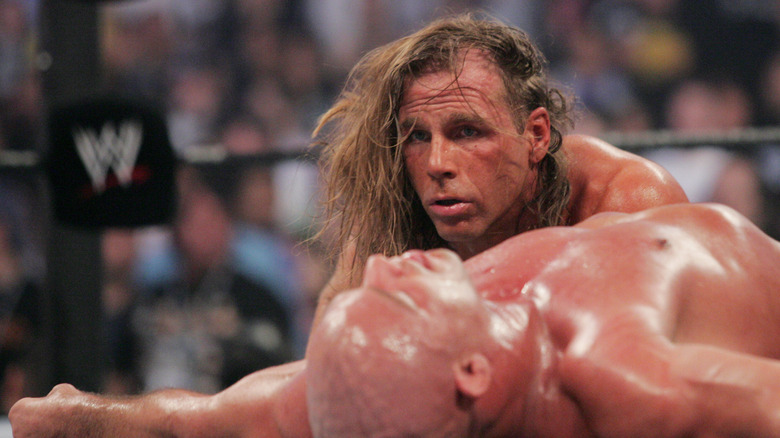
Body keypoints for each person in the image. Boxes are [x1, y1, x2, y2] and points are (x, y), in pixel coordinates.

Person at [9, 202, 780, 437]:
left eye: (365, 291)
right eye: (396, 296)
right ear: (471, 371)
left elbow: (199, 421)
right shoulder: (627, 379)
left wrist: (76, 415)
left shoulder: (353, 390)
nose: (381, 265)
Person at [312, 13, 687, 323]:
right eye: (417, 137)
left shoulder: (626, 202)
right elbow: (328, 380)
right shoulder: (390, 232)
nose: (437, 165)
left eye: (468, 132)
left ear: (536, 135)